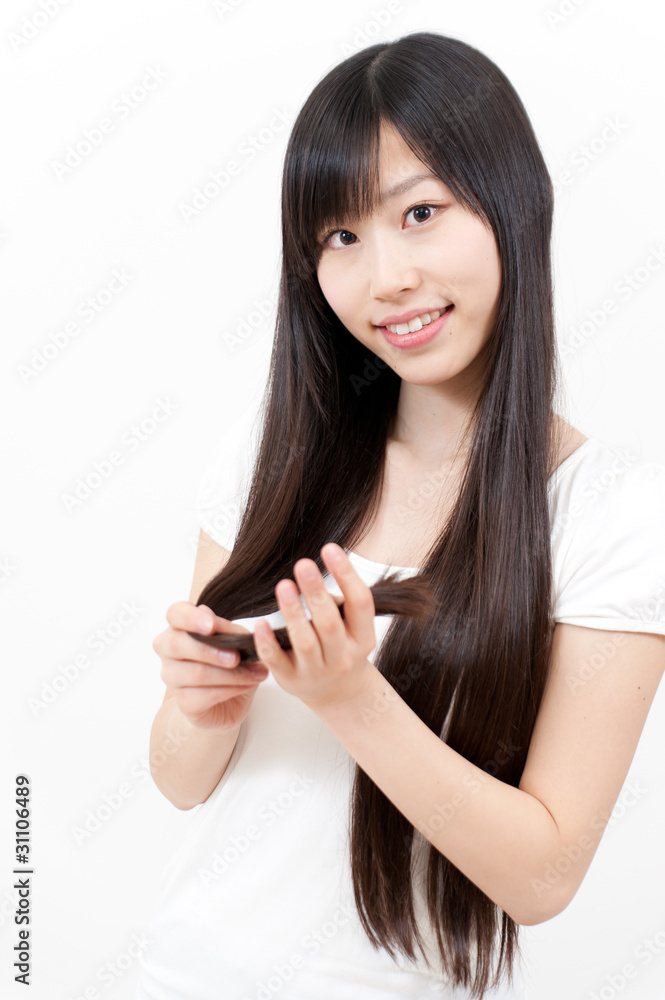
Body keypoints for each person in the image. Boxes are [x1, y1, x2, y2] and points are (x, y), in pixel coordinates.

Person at [135, 31, 665, 1000]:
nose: (383, 277)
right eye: (339, 236)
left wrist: (349, 697)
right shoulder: (274, 451)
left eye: (418, 212)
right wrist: (201, 699)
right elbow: (180, 779)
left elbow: (541, 875)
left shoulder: (614, 513)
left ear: (511, 204)